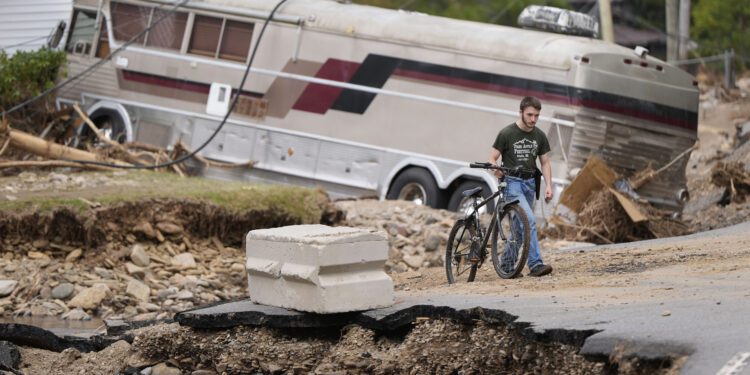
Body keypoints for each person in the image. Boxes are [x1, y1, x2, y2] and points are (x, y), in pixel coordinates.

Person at [488, 96, 553, 277]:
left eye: (537, 116)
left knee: (519, 228)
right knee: (529, 220)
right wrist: (496, 169)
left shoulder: (539, 135)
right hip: (512, 184)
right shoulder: (507, 133)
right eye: (530, 115)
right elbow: (492, 157)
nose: (533, 119)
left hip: (530, 184)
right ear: (521, 112)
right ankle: (535, 264)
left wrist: (549, 185)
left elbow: (545, 162)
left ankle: (507, 266)